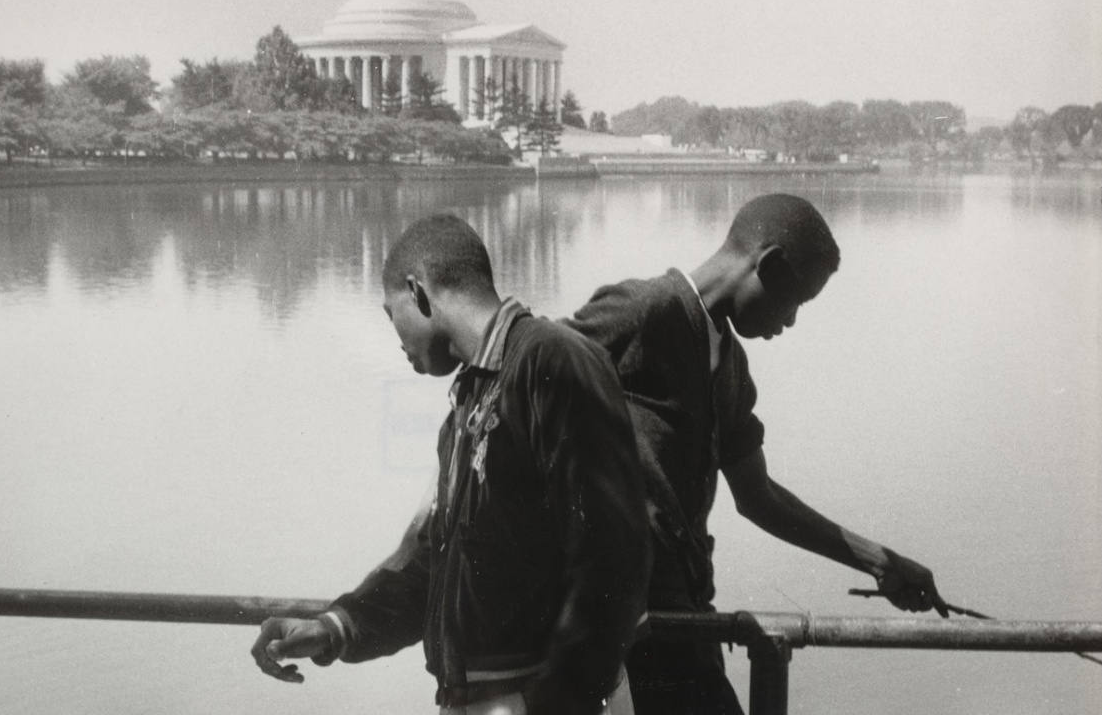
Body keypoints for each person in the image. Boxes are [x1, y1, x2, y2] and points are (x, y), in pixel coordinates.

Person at [250, 213, 651, 715]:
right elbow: (437, 568)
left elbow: (616, 562)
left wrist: (561, 698)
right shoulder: (470, 402)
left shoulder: (552, 360)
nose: (395, 339)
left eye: (389, 313)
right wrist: (335, 627)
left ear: (418, 292)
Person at [563, 193, 948, 714]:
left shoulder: (731, 369)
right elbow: (527, 374)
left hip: (685, 620)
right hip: (623, 625)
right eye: (796, 302)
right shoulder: (645, 309)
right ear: (766, 265)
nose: (789, 323)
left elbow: (757, 496)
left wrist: (878, 561)